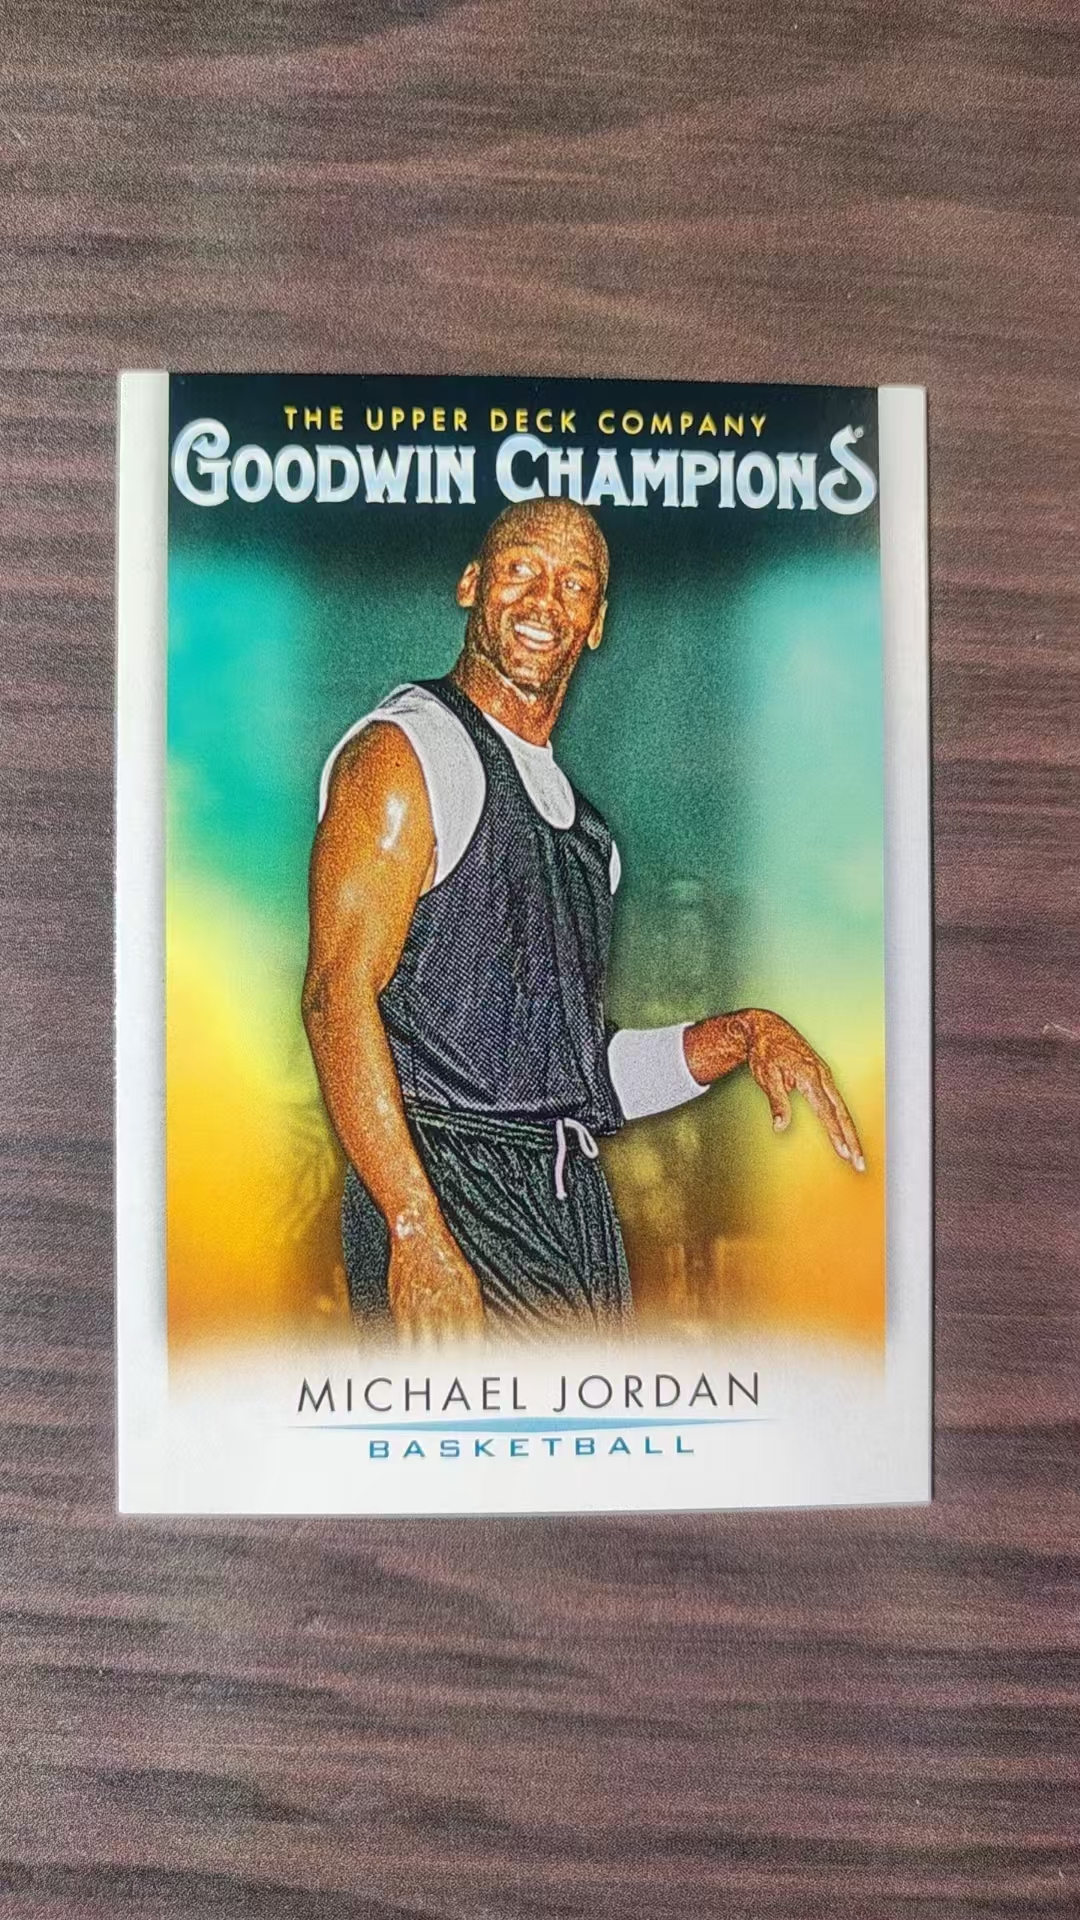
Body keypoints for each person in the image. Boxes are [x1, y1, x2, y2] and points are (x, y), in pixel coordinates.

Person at [302, 499, 864, 1342]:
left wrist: (746, 1033)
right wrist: (411, 1223)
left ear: (596, 623)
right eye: (521, 568)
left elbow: (577, 1080)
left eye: (574, 584)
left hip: (569, 1212)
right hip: (446, 1191)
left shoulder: (590, 839)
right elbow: (335, 996)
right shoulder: (406, 754)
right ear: (472, 583)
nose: (544, 599)